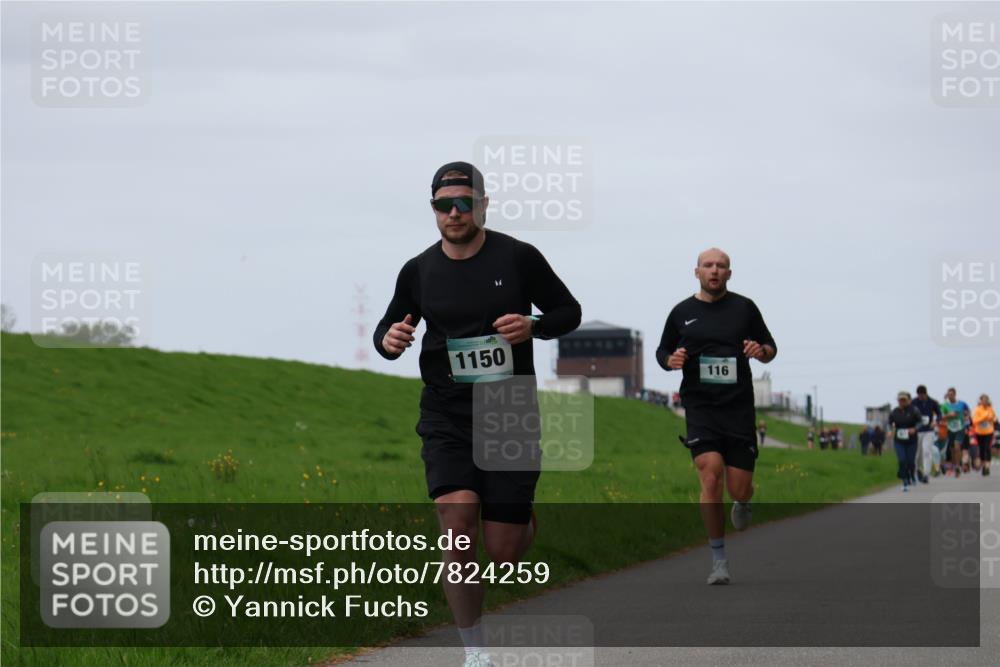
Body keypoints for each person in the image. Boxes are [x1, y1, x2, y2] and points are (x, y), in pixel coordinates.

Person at [373, 161, 581, 667]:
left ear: (483, 204)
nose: (455, 212)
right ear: (434, 211)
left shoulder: (518, 257)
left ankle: (519, 515)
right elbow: (388, 326)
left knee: (504, 553)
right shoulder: (418, 269)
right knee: (457, 518)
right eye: (445, 205)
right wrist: (389, 340)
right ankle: (475, 651)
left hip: (507, 409)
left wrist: (533, 326)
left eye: (465, 202)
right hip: (445, 411)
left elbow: (568, 311)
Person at [656, 248, 777, 585]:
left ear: (729, 273)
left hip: (738, 408)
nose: (714, 271)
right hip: (701, 407)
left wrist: (760, 351)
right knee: (710, 475)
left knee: (738, 488)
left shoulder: (744, 308)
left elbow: (770, 347)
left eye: (721, 266)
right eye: (708, 266)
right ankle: (719, 560)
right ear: (696, 272)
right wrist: (671, 360)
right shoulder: (681, 313)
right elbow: (662, 350)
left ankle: (744, 500)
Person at [889, 391, 924, 492]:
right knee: (902, 460)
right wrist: (890, 430)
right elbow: (890, 423)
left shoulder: (914, 410)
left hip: (911, 440)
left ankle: (911, 475)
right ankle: (904, 481)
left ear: (908, 400)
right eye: (900, 400)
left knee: (910, 461)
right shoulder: (894, 411)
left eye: (904, 400)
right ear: (898, 401)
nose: (902, 402)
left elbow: (920, 422)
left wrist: (915, 429)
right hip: (899, 440)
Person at [911, 385, 940, 483]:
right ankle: (918, 470)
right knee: (917, 453)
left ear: (925, 394)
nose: (920, 397)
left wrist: (935, 422)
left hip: (929, 431)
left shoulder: (933, 402)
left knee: (927, 451)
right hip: (917, 431)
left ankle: (926, 474)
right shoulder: (914, 402)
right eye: (919, 395)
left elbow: (939, 414)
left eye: (922, 395)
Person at [941, 388, 972, 478]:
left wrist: (966, 416)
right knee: (952, 449)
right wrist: (948, 415)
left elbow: (968, 412)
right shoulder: (945, 406)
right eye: (948, 395)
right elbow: (942, 417)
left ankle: (958, 465)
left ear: (955, 394)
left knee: (957, 446)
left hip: (960, 428)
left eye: (951, 394)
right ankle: (955, 465)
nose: (950, 396)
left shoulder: (962, 404)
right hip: (950, 429)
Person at [972, 394, 995, 477]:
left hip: (989, 431)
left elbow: (994, 418)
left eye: (986, 400)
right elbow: (975, 421)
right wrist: (984, 417)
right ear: (980, 401)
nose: (985, 401)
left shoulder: (990, 409)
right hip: (980, 432)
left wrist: (990, 417)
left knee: (987, 448)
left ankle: (987, 467)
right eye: (983, 400)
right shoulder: (978, 409)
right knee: (982, 449)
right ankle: (983, 465)